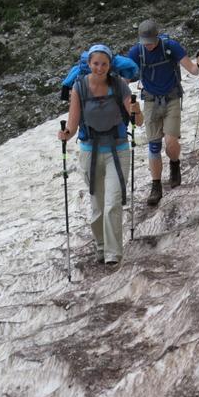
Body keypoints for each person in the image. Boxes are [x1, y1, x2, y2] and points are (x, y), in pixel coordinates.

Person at [58, 44, 143, 266]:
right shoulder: (79, 88)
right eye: (96, 63)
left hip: (118, 149)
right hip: (90, 152)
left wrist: (137, 111)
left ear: (110, 65)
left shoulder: (119, 85)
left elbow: (138, 121)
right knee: (97, 206)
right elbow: (73, 124)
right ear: (89, 65)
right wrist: (65, 134)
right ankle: (101, 246)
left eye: (104, 64)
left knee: (113, 203)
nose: (99, 68)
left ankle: (114, 254)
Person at [128, 19, 199, 206]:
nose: (149, 45)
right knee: (153, 145)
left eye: (151, 41)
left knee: (170, 142)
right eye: (146, 42)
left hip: (172, 98)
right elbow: (124, 75)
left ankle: (174, 163)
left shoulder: (171, 47)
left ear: (157, 36)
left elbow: (192, 69)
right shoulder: (137, 52)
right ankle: (156, 186)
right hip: (151, 100)